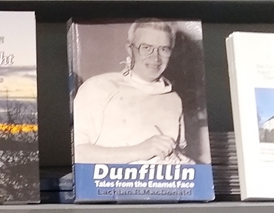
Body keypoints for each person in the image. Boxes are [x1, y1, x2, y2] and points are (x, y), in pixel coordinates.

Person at [73, 19, 191, 164]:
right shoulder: (98, 87)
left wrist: (183, 161)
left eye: (164, 49)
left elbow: (175, 152)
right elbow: (76, 153)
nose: (155, 58)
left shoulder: (174, 99)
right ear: (130, 49)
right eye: (146, 48)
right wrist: (140, 151)